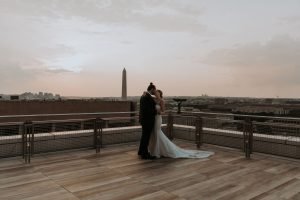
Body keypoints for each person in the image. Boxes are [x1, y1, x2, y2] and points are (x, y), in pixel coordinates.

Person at [148, 89, 214, 158]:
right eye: (155, 93)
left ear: (160, 94)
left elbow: (163, 111)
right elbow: (148, 96)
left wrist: (158, 112)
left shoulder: (161, 101)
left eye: (157, 93)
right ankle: (155, 150)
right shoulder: (154, 100)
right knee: (154, 134)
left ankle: (157, 151)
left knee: (157, 132)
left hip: (158, 118)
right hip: (153, 119)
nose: (156, 94)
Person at [138, 82, 157, 159]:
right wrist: (155, 111)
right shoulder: (147, 97)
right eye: (154, 90)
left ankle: (141, 151)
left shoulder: (144, 96)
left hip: (144, 120)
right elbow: (147, 110)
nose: (154, 91)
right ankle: (144, 154)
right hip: (147, 120)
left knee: (144, 137)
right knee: (146, 137)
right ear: (152, 89)